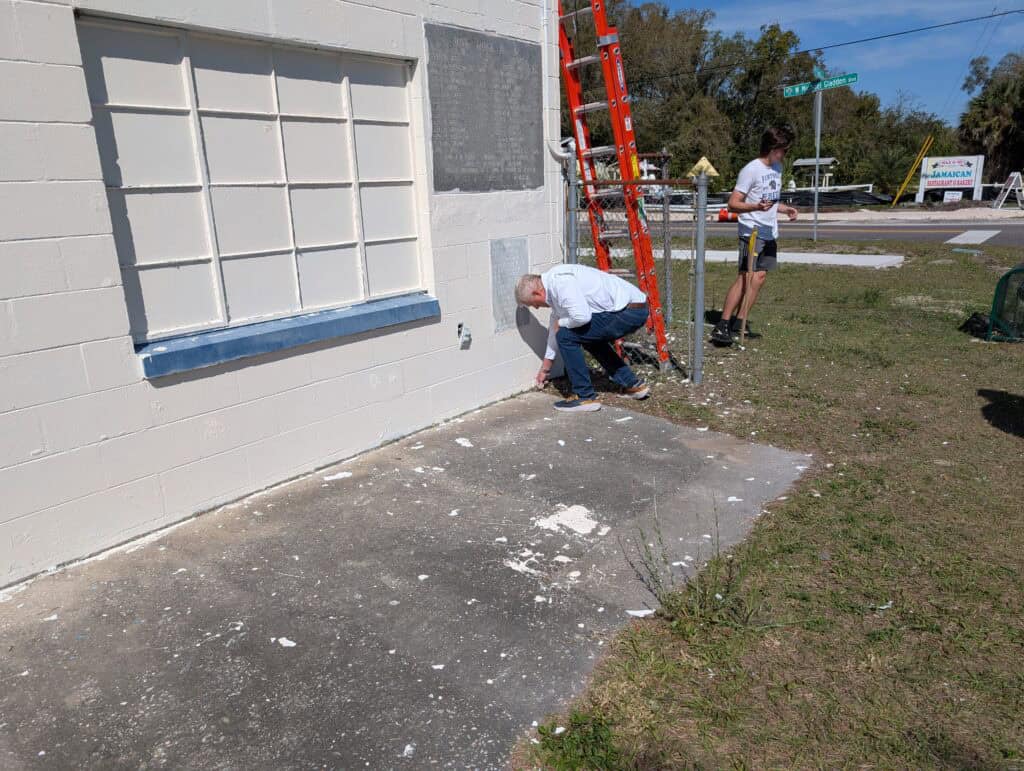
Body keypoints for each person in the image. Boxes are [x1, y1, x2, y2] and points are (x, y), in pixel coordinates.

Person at [515, 265, 651, 412]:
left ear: (537, 293)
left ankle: (585, 396)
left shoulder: (560, 283)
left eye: (533, 304)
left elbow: (580, 318)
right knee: (585, 336)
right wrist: (545, 369)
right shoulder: (554, 290)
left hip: (629, 311)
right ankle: (634, 386)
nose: (536, 307)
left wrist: (561, 323)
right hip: (633, 309)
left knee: (566, 335)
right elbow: (554, 332)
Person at [710, 126, 800, 346]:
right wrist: (755, 207)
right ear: (772, 148)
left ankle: (740, 322)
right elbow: (733, 204)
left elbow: (769, 201)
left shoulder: (778, 168)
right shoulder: (751, 169)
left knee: (759, 278)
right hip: (752, 230)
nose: (785, 155)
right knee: (745, 277)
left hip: (770, 231)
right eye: (783, 150)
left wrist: (784, 209)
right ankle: (722, 325)